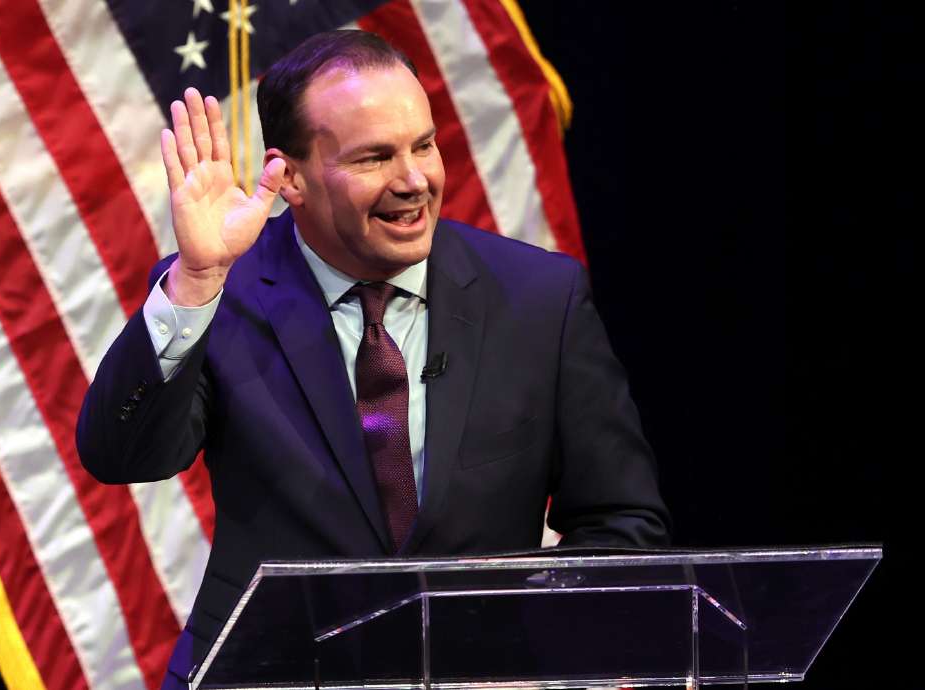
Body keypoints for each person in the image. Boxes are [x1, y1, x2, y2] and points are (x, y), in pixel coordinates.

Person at [77, 30, 669, 688]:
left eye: (423, 144)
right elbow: (120, 455)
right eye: (374, 158)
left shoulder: (539, 299)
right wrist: (194, 281)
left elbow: (622, 524)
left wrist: (525, 641)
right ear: (292, 178)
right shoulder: (224, 292)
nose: (415, 179)